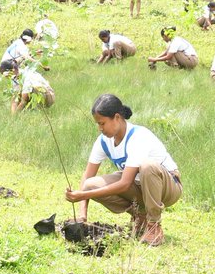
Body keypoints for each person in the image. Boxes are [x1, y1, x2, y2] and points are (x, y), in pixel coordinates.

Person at [65, 94, 182, 246]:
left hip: (168, 187)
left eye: (102, 123)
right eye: (98, 124)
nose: (100, 128)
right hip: (140, 188)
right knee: (90, 184)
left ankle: (154, 225)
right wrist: (82, 214)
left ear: (117, 117)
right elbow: (88, 175)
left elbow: (125, 184)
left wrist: (83, 195)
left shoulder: (138, 137)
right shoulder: (104, 141)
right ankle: (140, 215)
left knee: (147, 166)